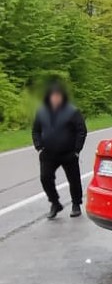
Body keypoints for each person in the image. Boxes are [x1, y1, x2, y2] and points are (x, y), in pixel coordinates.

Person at [32, 82, 88, 219]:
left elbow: (81, 131)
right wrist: (39, 147)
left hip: (69, 153)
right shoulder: (41, 112)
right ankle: (55, 203)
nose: (55, 98)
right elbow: (36, 131)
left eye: (58, 96)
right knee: (45, 178)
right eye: (53, 96)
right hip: (48, 153)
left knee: (74, 180)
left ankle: (76, 204)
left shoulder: (72, 111)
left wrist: (76, 150)